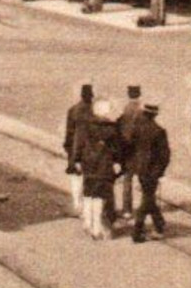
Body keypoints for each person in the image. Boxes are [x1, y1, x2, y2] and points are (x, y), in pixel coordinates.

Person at [71, 98, 123, 240]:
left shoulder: (84, 126)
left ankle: (87, 222)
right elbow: (117, 150)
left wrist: (76, 160)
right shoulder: (112, 129)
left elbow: (78, 144)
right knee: (100, 196)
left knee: (88, 193)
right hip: (104, 165)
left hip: (88, 164)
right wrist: (118, 163)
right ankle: (96, 227)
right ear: (106, 112)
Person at [125, 102, 171, 243]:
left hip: (140, 169)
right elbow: (165, 155)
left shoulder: (136, 128)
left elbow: (129, 147)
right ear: (155, 115)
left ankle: (159, 223)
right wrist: (160, 171)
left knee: (148, 196)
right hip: (153, 171)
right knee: (147, 199)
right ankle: (137, 231)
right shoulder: (159, 131)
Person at [63, 83, 96, 216]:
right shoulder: (94, 111)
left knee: (76, 179)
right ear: (91, 97)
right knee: (89, 180)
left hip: (75, 149)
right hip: (91, 151)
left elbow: (69, 133)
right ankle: (88, 208)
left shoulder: (73, 110)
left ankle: (78, 206)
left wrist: (68, 148)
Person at [116, 86, 144, 219]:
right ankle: (144, 207)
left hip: (127, 150)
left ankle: (127, 210)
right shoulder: (142, 111)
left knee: (127, 180)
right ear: (139, 95)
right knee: (143, 179)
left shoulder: (126, 109)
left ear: (129, 95)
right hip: (139, 150)